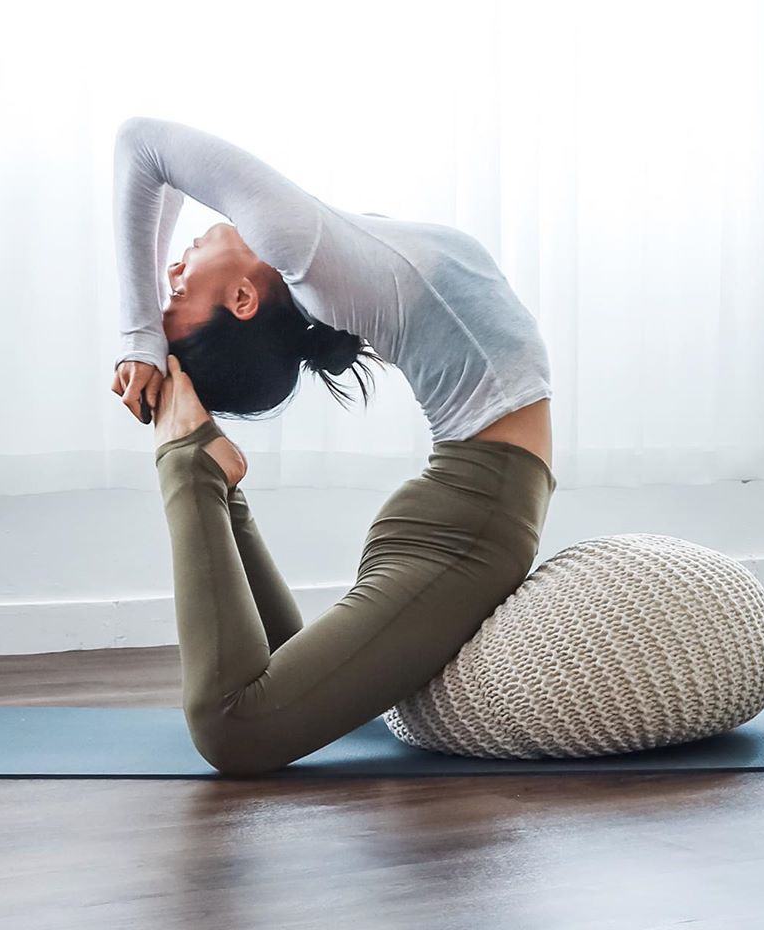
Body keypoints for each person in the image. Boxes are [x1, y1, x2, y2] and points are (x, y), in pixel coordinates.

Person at [109, 117, 556, 776]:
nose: (172, 266)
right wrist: (140, 338)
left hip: (468, 506)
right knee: (232, 730)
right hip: (473, 521)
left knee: (294, 682)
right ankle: (192, 469)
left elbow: (157, 174)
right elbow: (142, 143)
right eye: (179, 288)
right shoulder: (301, 247)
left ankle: (216, 483)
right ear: (240, 298)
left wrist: (148, 331)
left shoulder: (322, 258)